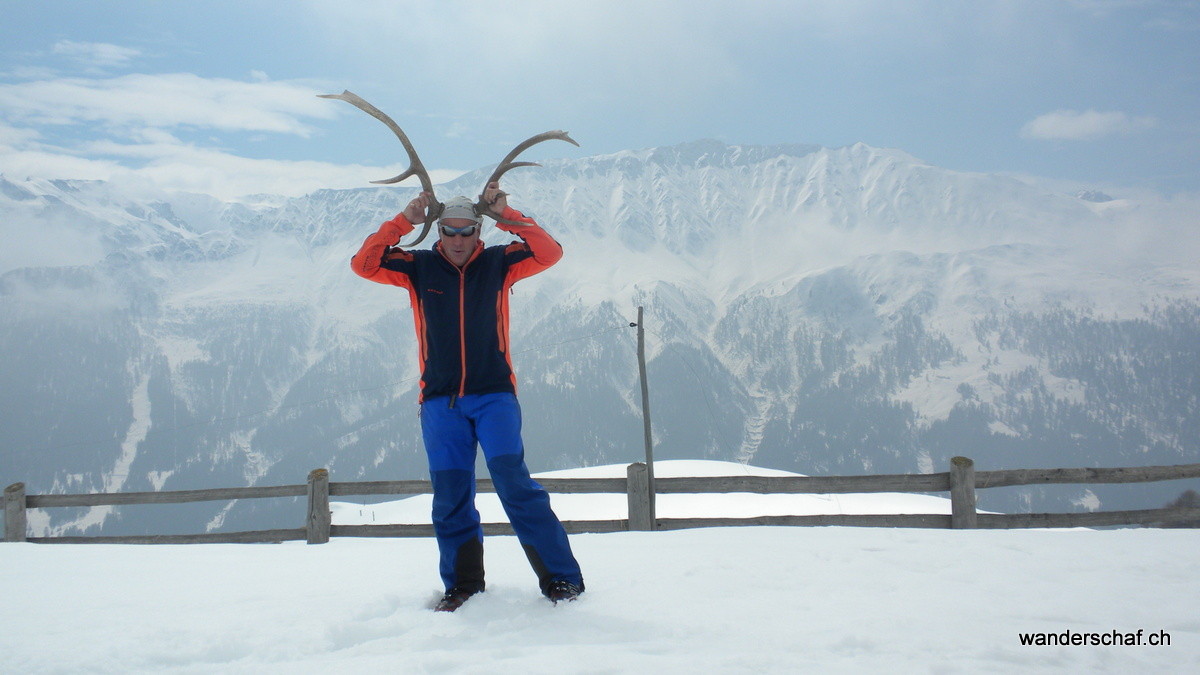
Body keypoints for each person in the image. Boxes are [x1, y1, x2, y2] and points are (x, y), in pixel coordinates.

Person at [351, 181, 584, 612]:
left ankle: (562, 581)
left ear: (480, 231)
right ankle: (462, 586)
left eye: (467, 231)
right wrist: (403, 222)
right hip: (441, 403)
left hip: (494, 396)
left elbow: (549, 253)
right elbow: (363, 265)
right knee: (451, 497)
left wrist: (508, 216)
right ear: (438, 231)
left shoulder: (500, 261)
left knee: (516, 487)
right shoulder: (416, 267)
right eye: (449, 231)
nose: (458, 240)